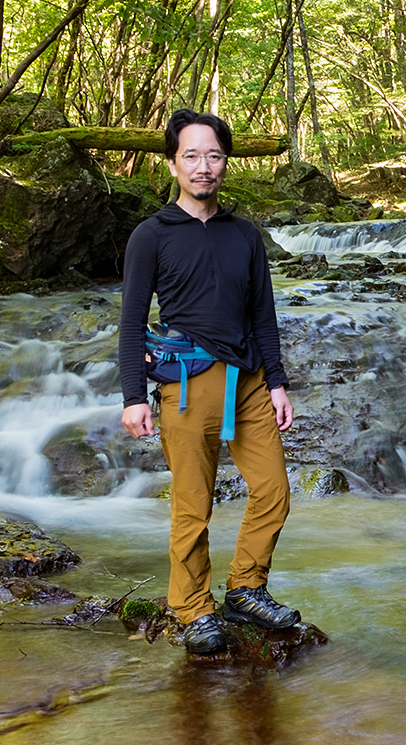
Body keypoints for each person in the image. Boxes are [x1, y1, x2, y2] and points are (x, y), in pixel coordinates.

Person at [119, 108, 301, 655]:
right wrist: (133, 396)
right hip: (186, 380)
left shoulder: (245, 235)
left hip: (248, 381)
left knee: (274, 489)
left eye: (214, 155)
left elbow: (262, 314)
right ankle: (193, 607)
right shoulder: (150, 236)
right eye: (192, 156)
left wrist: (277, 382)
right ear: (173, 164)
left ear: (226, 162)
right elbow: (131, 321)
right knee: (193, 504)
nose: (204, 167)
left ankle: (247, 587)